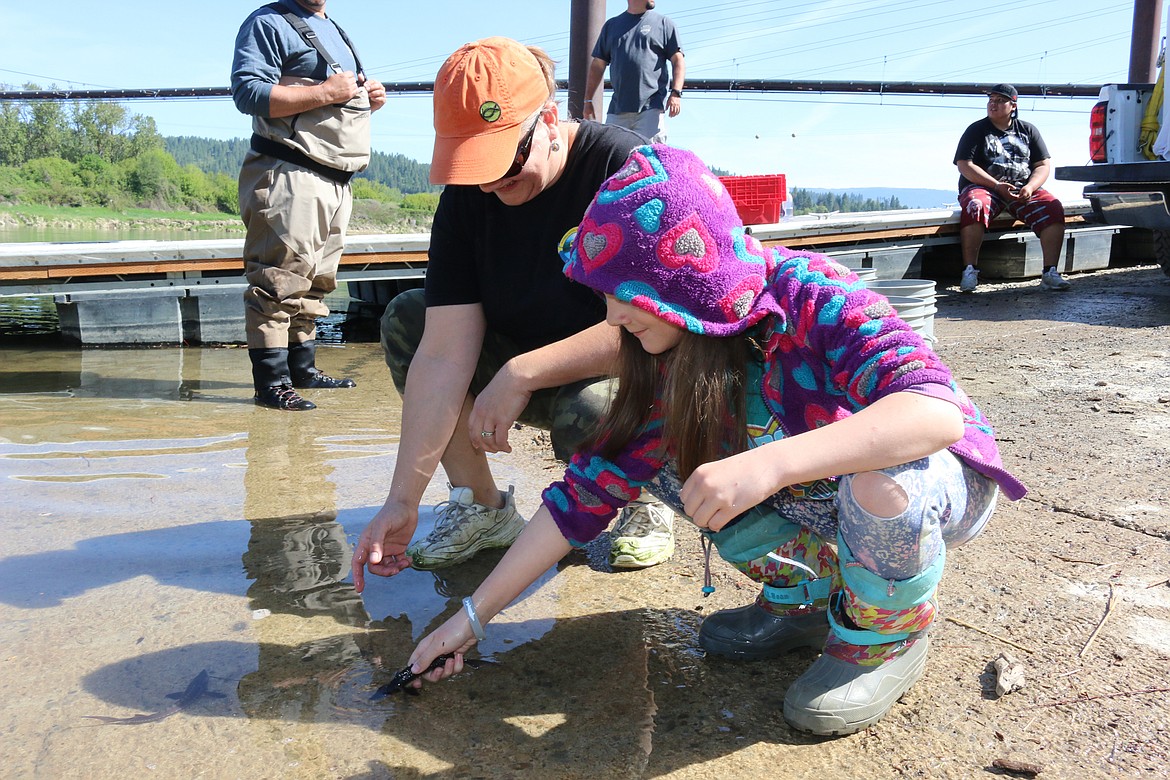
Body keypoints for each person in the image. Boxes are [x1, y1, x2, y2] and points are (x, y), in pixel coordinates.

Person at [381, 145, 1028, 737]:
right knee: (677, 467)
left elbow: (936, 416)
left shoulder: (816, 296)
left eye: (622, 297)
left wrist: (768, 466)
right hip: (816, 490)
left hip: (926, 485)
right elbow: (580, 499)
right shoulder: (668, 352)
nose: (610, 319)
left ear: (680, 280)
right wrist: (470, 619)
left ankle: (885, 634)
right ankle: (806, 596)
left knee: (880, 481)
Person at [349, 37, 676, 579]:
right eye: (476, 167)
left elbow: (664, 324)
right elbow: (442, 353)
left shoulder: (624, 169)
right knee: (409, 317)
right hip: (521, 363)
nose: (493, 183)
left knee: (592, 410)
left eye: (506, 160)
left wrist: (522, 372)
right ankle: (482, 507)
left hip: (626, 367)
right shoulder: (467, 197)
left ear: (548, 119)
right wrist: (402, 500)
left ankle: (644, 502)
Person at [231, 0, 387, 411]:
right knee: (277, 281)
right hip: (289, 171)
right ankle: (272, 385)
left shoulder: (332, 27)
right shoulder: (267, 23)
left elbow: (335, 96)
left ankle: (302, 370)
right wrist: (324, 92)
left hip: (335, 178)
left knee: (316, 281)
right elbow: (248, 92)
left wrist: (367, 96)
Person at [954, 83, 1071, 293]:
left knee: (1053, 207)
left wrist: (1031, 186)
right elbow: (965, 165)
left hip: (1021, 187)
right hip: (985, 187)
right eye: (991, 100)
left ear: (1013, 105)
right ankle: (969, 270)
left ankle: (1050, 272)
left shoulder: (1028, 130)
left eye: (1000, 101)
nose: (993, 105)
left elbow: (1043, 165)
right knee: (976, 204)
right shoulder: (976, 130)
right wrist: (997, 186)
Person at [583, 0, 685, 143]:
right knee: (614, 160)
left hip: (651, 108)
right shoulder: (611, 26)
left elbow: (678, 60)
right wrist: (588, 100)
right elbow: (597, 65)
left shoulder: (664, 23)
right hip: (617, 111)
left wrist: (676, 93)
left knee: (648, 160)